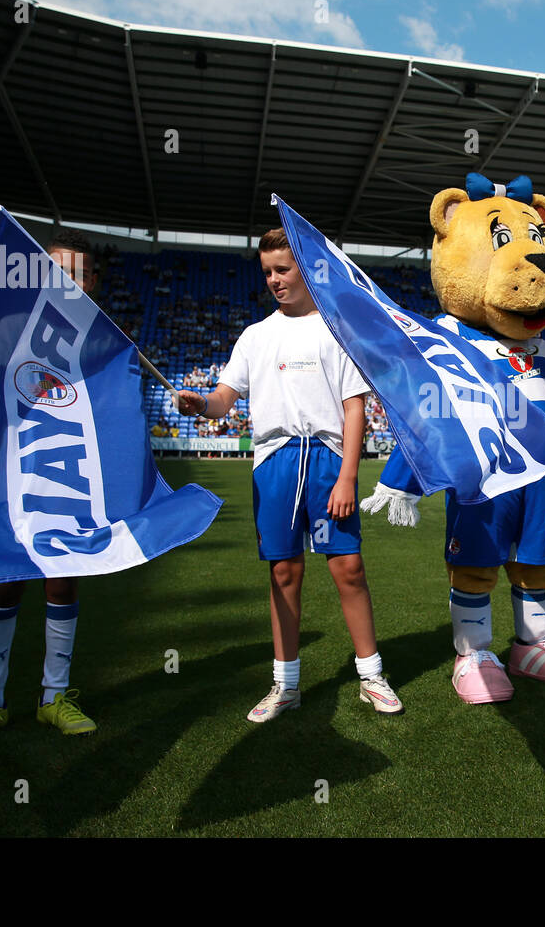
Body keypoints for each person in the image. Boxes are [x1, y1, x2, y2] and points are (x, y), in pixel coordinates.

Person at [179, 228, 402, 721]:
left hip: (326, 459)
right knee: (284, 570)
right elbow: (223, 398)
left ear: (304, 268)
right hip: (274, 461)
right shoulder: (255, 336)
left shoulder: (335, 329)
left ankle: (371, 674)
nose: (275, 281)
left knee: (348, 567)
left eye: (283, 270)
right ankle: (286, 685)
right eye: (267, 273)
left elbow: (353, 407)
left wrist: (347, 477)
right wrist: (203, 405)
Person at [0, 228, 99, 751]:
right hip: (12, 472)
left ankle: (53, 697)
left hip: (68, 474)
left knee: (61, 582)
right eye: (56, 272)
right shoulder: (10, 326)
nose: (66, 282)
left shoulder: (106, 338)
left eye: (76, 274)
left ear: (93, 281)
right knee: (6, 580)